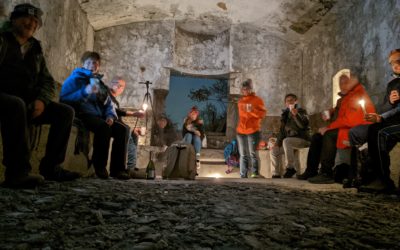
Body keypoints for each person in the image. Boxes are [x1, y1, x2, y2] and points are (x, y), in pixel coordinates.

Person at [0, 4, 80, 188]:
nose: (32, 24)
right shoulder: (3, 40)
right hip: (5, 99)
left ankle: (51, 167)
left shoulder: (35, 50)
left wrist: (42, 101)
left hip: (27, 103)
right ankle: (17, 173)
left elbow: (48, 81)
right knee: (15, 104)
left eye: (36, 22)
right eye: (27, 19)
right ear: (14, 19)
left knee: (65, 112)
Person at [60, 52, 130, 180]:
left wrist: (110, 116)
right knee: (104, 127)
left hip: (100, 117)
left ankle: (118, 170)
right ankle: (100, 167)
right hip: (83, 114)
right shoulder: (76, 78)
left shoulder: (98, 83)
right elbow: (65, 98)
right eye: (90, 62)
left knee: (122, 129)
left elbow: (109, 104)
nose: (93, 65)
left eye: (96, 63)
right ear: (83, 64)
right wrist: (85, 92)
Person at [306, 74, 375, 184]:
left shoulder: (358, 95)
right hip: (346, 128)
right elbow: (342, 112)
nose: (342, 86)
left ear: (353, 82)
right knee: (317, 137)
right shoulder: (346, 97)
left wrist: (328, 127)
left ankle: (326, 172)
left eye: (345, 82)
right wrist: (331, 112)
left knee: (329, 135)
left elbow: (351, 120)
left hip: (357, 130)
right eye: (340, 83)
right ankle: (310, 171)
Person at [352, 49, 400, 192]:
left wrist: (382, 117)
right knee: (373, 129)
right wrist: (381, 114)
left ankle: (383, 180)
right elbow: (389, 108)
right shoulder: (394, 83)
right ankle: (367, 176)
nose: (395, 65)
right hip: (395, 119)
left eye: (398, 60)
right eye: (392, 63)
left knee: (380, 132)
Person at [107, 76, 145, 173]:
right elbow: (115, 111)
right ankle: (123, 168)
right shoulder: (107, 96)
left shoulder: (115, 100)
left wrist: (132, 128)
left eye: (122, 86)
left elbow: (119, 118)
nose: (119, 87)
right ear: (111, 84)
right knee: (125, 132)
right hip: (110, 123)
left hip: (118, 124)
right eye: (117, 84)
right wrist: (133, 113)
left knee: (133, 135)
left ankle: (131, 167)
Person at [270, 94, 311, 178]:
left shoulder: (302, 111)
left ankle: (290, 168)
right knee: (274, 151)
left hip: (303, 139)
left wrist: (296, 115)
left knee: (286, 141)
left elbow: (303, 126)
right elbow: (282, 131)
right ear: (285, 103)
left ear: (296, 101)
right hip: (290, 142)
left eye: (291, 100)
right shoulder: (285, 115)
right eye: (287, 101)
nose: (289, 102)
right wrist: (277, 143)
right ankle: (276, 173)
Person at [236, 79, 267, 178]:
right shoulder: (240, 101)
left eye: (247, 89)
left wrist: (252, 110)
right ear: (242, 90)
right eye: (244, 89)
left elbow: (262, 114)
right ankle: (243, 175)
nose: (245, 90)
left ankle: (254, 173)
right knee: (243, 155)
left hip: (253, 131)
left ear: (251, 89)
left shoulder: (257, 100)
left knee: (252, 153)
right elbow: (242, 116)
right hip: (241, 131)